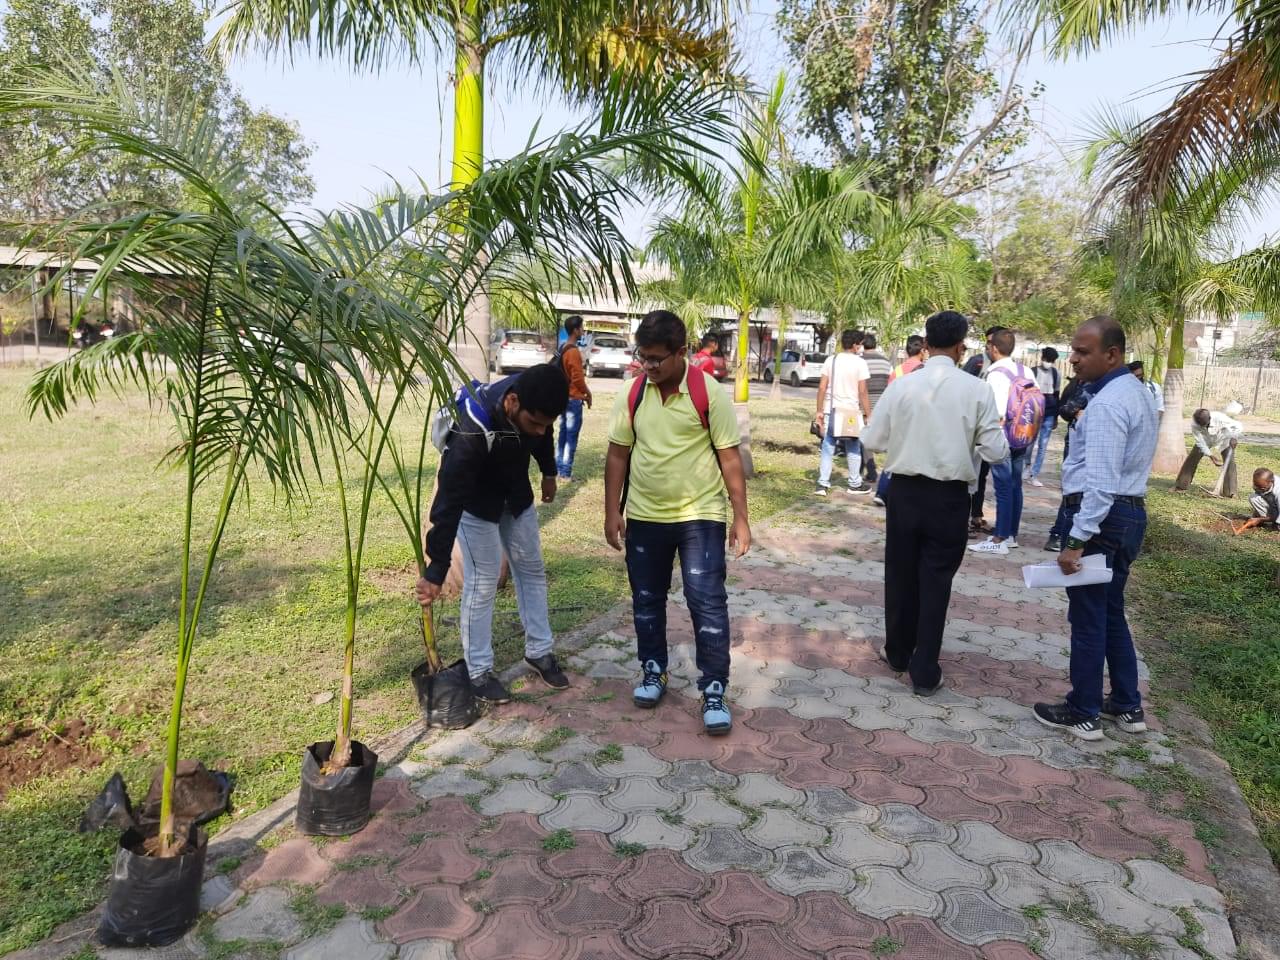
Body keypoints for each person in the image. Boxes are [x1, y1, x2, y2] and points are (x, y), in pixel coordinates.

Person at [603, 310, 751, 736]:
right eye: (642, 357)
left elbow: (729, 458)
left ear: (680, 353)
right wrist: (612, 510)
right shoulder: (633, 394)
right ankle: (654, 671)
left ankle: (714, 688)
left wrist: (741, 518)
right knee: (646, 599)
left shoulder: (709, 394)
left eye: (655, 359)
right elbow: (618, 454)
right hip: (646, 517)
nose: (647, 366)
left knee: (706, 601)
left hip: (700, 517)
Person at [862, 310, 1008, 696]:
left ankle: (897, 651)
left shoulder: (902, 386)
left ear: (925, 344)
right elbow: (996, 451)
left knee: (900, 572)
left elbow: (871, 440)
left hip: (905, 493)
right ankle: (925, 669)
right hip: (949, 498)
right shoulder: (977, 390)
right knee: (936, 579)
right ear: (961, 347)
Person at [415, 364, 571, 703]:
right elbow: (449, 498)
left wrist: (548, 471)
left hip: (515, 497)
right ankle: (478, 671)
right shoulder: (474, 428)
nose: (541, 431)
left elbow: (544, 433)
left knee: (532, 571)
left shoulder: (533, 394)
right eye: (535, 423)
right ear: (512, 403)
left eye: (547, 424)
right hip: (477, 505)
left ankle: (540, 652)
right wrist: (436, 569)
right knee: (483, 581)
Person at [1034, 316, 1158, 741]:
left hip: (1101, 519)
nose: (1074, 359)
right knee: (1110, 613)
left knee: (1088, 617)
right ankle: (1127, 704)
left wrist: (1075, 541)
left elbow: (1101, 484)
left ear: (1112, 354)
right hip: (1127, 516)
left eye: (1083, 352)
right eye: (1073, 350)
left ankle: (1083, 710)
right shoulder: (1135, 393)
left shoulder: (1107, 404)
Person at [970, 328, 1038, 555]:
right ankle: (1011, 535)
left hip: (1002, 436)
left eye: (989, 346)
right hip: (1023, 435)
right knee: (1015, 484)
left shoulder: (996, 373)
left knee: (1002, 486)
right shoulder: (1025, 370)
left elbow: (996, 411)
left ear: (994, 348)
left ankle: (999, 538)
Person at [814, 329, 874, 496]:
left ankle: (822, 484)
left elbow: (821, 387)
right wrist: (869, 414)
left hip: (830, 411)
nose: (861, 347)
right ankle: (854, 483)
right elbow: (863, 391)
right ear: (855, 345)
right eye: (860, 344)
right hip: (850, 413)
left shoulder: (831, 360)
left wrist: (819, 411)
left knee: (827, 447)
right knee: (853, 447)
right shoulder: (860, 363)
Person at [967, 327, 1005, 535]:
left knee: (981, 476)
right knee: (970, 475)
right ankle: (966, 517)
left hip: (992, 429)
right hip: (974, 427)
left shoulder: (1005, 367)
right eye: (991, 342)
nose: (993, 346)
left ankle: (976, 515)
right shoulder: (977, 362)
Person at [554, 315, 593, 482]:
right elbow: (577, 379)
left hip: (563, 398)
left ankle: (558, 469)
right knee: (571, 437)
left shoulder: (564, 347)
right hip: (573, 400)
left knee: (563, 434)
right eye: (582, 328)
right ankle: (565, 472)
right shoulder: (573, 352)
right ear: (576, 330)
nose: (583, 331)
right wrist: (588, 394)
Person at [1175, 408, 1243, 497]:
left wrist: (1234, 437)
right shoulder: (1195, 424)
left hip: (1224, 438)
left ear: (1210, 418)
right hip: (1206, 439)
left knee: (1230, 462)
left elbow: (1238, 426)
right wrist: (1210, 455)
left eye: (1204, 424)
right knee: (1192, 457)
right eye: (1200, 425)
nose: (1203, 426)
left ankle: (1231, 493)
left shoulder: (1219, 417)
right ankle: (1181, 486)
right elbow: (1200, 441)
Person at [860, 334, 892, 484]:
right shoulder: (886, 362)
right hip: (882, 403)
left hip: (864, 403)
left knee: (863, 437)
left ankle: (871, 471)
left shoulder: (859, 361)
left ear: (862, 345)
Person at [1028, 347, 1061, 487]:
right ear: (1042, 358)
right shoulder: (1033, 372)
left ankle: (1034, 474)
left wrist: (1055, 417)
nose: (1048, 363)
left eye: (1051, 361)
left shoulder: (1056, 373)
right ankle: (1026, 466)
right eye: (1047, 360)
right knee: (1029, 442)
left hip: (1049, 412)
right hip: (1034, 412)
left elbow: (1056, 394)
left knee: (1043, 445)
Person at [1234, 468, 1279, 534]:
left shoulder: (1278, 490)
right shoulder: (1260, 483)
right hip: (1273, 502)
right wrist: (1256, 516)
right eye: (1256, 486)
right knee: (1253, 498)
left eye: (1262, 487)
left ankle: (1272, 521)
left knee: (1277, 527)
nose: (1257, 488)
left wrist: (1260, 519)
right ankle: (1266, 518)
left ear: (1270, 482)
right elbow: (1262, 496)